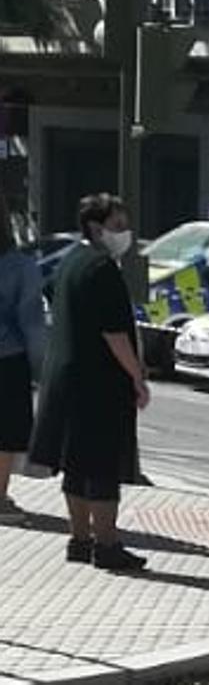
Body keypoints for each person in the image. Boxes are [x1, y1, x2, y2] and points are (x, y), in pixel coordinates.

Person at [29, 193, 150, 571]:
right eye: (117, 225)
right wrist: (137, 376)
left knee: (76, 465)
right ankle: (108, 544)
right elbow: (114, 334)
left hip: (66, 378)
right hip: (99, 385)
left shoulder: (70, 263)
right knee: (101, 468)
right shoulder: (103, 269)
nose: (124, 233)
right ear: (96, 227)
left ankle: (80, 539)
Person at [0, 200, 47, 524]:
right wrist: (40, 368)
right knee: (7, 431)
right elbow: (31, 321)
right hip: (8, 358)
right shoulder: (19, 265)